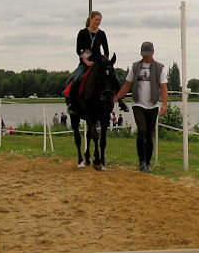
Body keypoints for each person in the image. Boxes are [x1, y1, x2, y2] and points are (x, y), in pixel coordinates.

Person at [113, 41, 168, 172]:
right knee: (142, 130)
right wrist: (115, 99)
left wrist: (164, 104)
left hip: (153, 105)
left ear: (153, 53)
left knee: (149, 134)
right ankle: (141, 161)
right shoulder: (135, 67)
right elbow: (127, 85)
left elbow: (163, 87)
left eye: (148, 54)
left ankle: (148, 162)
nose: (146, 56)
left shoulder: (159, 68)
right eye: (144, 54)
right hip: (138, 104)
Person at [66, 10, 123, 114]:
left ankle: (121, 100)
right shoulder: (83, 32)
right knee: (75, 79)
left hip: (99, 60)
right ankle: (72, 103)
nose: (98, 22)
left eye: (100, 20)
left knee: (115, 77)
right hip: (86, 58)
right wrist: (86, 62)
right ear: (91, 19)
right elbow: (78, 50)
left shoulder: (101, 33)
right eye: (96, 20)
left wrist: (105, 62)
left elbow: (106, 50)